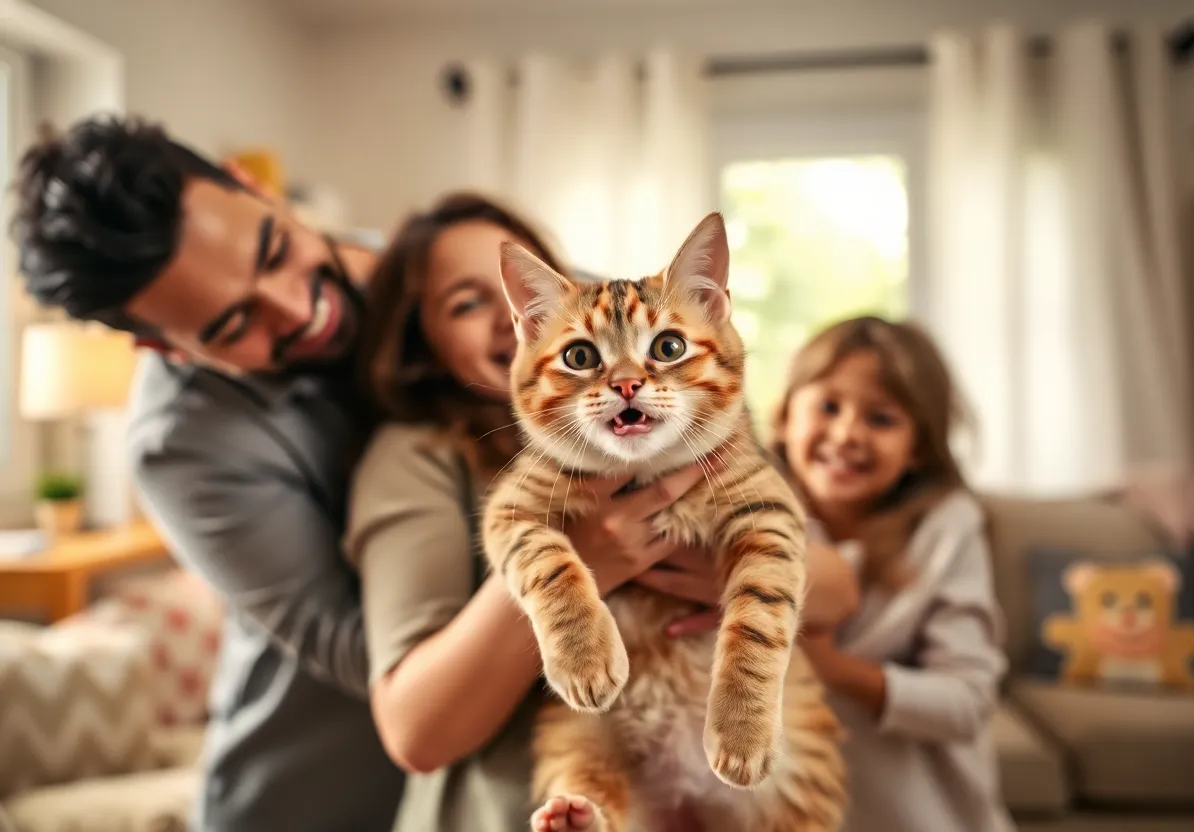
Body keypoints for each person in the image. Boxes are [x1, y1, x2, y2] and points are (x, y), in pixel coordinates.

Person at [343, 192, 861, 831]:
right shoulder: (418, 456)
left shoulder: (714, 438)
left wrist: (736, 586)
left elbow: (833, 583)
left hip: (753, 768)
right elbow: (415, 731)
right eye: (467, 302)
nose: (626, 383)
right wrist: (577, 578)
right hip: (539, 786)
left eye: (663, 350)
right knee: (581, 756)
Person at [10, 114, 403, 831]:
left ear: (253, 188)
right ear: (169, 350)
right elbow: (365, 654)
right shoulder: (181, 447)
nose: (298, 308)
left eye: (274, 249)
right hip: (312, 803)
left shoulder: (428, 266)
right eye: (231, 324)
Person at [771, 315, 1017, 832]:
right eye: (828, 406)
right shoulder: (743, 508)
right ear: (784, 416)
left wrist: (834, 669)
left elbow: (967, 702)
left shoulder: (946, 527)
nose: (846, 434)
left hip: (919, 815)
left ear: (918, 448)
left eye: (881, 419)